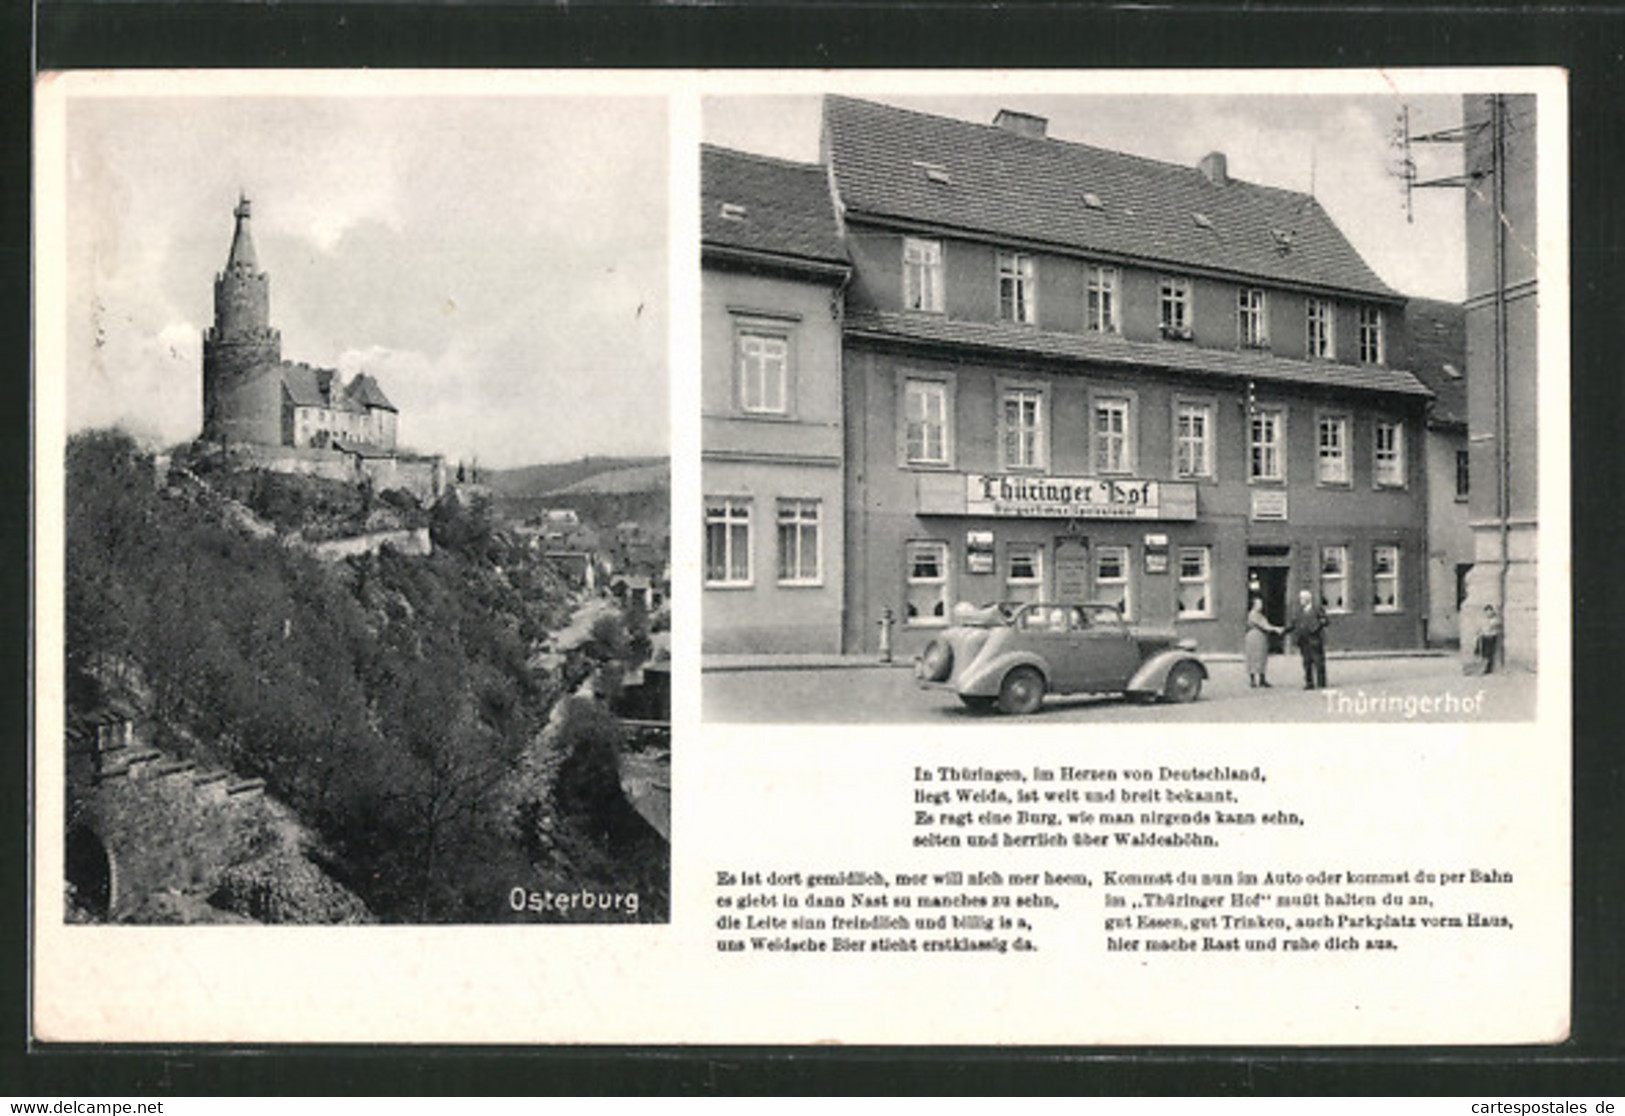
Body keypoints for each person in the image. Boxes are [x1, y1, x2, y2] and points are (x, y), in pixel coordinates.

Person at [1286, 588, 1329, 690]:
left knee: (1318, 661)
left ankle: (1321, 682)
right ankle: (1309, 682)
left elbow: (1325, 620)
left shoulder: (1317, 608)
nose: (1300, 600)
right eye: (1300, 598)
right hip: (1303, 640)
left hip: (1315, 639)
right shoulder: (1299, 611)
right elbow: (1294, 624)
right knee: (1306, 662)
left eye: (1302, 598)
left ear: (1308, 599)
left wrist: (1316, 627)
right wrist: (1284, 630)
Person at [1243, 596, 1283, 688]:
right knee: (1253, 657)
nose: (1261, 606)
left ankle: (1262, 679)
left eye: (1261, 604)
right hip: (1254, 637)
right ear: (1254, 605)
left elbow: (1266, 625)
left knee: (1261, 657)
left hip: (1260, 638)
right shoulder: (1253, 615)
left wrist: (1275, 628)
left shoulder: (1259, 615)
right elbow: (1265, 626)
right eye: (1259, 604)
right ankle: (1253, 680)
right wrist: (1277, 629)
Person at [1474, 604, 1502, 674]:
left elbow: (1496, 628)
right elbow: (1480, 629)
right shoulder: (1484, 620)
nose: (1488, 613)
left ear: (1492, 611)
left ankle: (1487, 668)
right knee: (1484, 653)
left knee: (1489, 653)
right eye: (1487, 611)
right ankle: (1485, 667)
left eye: (1490, 611)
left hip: (1491, 637)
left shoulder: (1495, 620)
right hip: (1484, 637)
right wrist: (1479, 635)